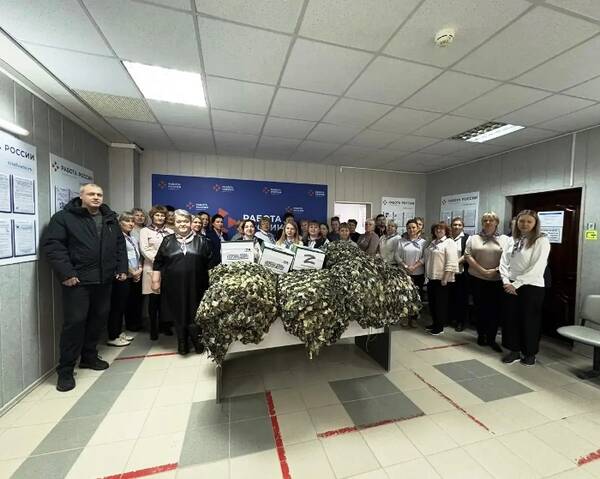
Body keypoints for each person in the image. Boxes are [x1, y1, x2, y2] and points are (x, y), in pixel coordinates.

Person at [42, 183, 128, 392]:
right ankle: (65, 370)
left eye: (99, 194)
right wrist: (66, 273)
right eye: (91, 194)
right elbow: (54, 246)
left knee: (98, 319)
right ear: (81, 196)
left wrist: (121, 268)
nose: (96, 197)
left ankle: (89, 357)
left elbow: (119, 245)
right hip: (78, 281)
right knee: (75, 323)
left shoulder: (109, 218)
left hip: (104, 280)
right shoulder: (64, 218)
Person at [152, 210, 213, 355]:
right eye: (179, 221)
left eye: (185, 221)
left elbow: (210, 264)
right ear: (174, 223)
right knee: (178, 313)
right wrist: (155, 281)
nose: (183, 224)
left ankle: (197, 340)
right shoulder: (167, 241)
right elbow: (158, 262)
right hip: (173, 285)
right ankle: (182, 342)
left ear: (190, 223)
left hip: (197, 285)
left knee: (196, 312)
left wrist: (213, 284)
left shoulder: (203, 241)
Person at [500, 210, 551, 366]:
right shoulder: (512, 239)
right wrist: (506, 281)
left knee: (530, 321)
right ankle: (514, 350)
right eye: (522, 221)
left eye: (529, 221)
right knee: (511, 319)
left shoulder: (541, 240)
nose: (525, 224)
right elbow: (504, 262)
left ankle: (529, 353)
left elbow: (537, 267)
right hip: (510, 285)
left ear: (535, 224)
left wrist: (516, 284)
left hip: (531, 286)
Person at [465, 212, 511, 352]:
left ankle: (491, 338)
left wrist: (495, 271)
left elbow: (508, 259)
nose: (488, 223)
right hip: (477, 279)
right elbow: (468, 255)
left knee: (495, 311)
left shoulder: (505, 239)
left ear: (496, 222)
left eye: (491, 220)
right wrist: (482, 271)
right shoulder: (473, 238)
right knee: (480, 309)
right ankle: (481, 335)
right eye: (485, 220)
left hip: (497, 280)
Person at [107, 211, 143, 347]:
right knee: (117, 307)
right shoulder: (117, 238)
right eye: (127, 221)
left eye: (132, 221)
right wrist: (132, 272)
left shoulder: (132, 238)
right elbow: (119, 258)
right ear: (119, 222)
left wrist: (139, 270)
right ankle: (113, 336)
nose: (131, 223)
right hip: (123, 276)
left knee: (126, 305)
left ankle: (119, 332)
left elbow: (137, 255)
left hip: (134, 275)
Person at [140, 205, 173, 340]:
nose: (160, 217)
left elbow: (172, 249)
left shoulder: (170, 231)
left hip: (167, 269)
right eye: (157, 215)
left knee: (165, 300)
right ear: (152, 216)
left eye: (162, 215)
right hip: (151, 268)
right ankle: (153, 328)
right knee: (153, 300)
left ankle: (165, 326)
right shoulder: (145, 231)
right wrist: (159, 260)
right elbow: (144, 249)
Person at [424, 221, 459, 335]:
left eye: (441, 229)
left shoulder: (449, 242)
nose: (438, 231)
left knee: (440, 304)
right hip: (431, 277)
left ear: (446, 231)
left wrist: (445, 277)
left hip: (442, 279)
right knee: (433, 303)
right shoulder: (433, 242)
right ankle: (434, 323)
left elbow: (452, 261)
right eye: (436, 229)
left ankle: (439, 327)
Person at [396, 219, 427, 327]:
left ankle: (414, 318)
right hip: (404, 273)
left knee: (416, 296)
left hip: (418, 273)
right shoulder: (401, 241)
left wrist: (414, 267)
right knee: (404, 295)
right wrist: (405, 266)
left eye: (413, 227)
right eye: (409, 228)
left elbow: (424, 257)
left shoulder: (423, 242)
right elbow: (397, 256)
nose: (411, 230)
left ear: (418, 228)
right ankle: (404, 316)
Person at [449, 217, 470, 332]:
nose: (457, 227)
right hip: (449, 273)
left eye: (459, 225)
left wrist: (454, 263)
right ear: (451, 226)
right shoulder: (448, 238)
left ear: (463, 227)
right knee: (451, 297)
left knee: (461, 299)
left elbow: (467, 254)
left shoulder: (467, 238)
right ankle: (451, 318)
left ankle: (461, 322)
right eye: (454, 224)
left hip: (461, 273)